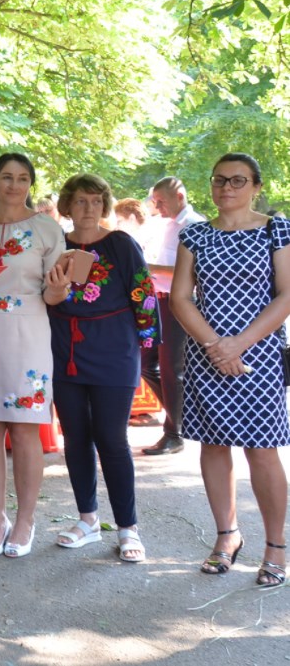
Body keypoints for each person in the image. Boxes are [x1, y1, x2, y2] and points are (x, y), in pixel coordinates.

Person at [171, 153, 289, 588]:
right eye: (219, 180)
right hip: (207, 355)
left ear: (257, 186)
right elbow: (180, 298)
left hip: (257, 356)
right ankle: (227, 537)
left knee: (262, 450)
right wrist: (214, 346)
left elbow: (286, 295)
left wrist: (239, 343)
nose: (227, 188)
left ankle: (275, 546)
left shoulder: (278, 229)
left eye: (238, 180)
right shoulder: (195, 234)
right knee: (215, 446)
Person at [45, 174, 160, 563]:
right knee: (76, 438)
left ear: (105, 205)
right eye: (80, 201)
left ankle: (128, 527)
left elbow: (143, 293)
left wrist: (144, 345)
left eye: (96, 201)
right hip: (66, 348)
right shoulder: (54, 244)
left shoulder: (121, 244)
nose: (89, 209)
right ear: (67, 206)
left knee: (111, 438)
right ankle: (88, 520)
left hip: (115, 348)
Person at [0, 152, 65, 559]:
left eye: (23, 178)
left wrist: (59, 290)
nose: (14, 185)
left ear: (31, 183)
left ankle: (25, 519)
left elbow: (56, 290)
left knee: (24, 428)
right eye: (6, 177)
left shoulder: (46, 227)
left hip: (29, 328)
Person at [142, 177, 208, 456]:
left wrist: (147, 267)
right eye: (155, 201)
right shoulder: (164, 225)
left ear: (179, 196)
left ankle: (174, 433)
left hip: (179, 303)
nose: (157, 206)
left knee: (172, 369)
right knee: (146, 362)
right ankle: (180, 417)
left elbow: (188, 274)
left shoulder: (195, 225)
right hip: (155, 301)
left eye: (161, 201)